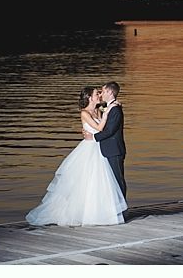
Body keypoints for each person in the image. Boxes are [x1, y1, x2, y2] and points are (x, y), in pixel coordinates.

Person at [26, 86, 127, 226]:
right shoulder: (85, 113)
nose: (99, 95)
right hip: (89, 149)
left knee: (102, 183)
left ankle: (104, 212)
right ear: (90, 98)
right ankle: (82, 213)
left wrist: (113, 106)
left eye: (100, 93)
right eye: (96, 94)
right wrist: (107, 112)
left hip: (99, 148)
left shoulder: (99, 109)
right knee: (86, 182)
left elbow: (111, 112)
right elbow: (99, 128)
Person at [83, 81, 126, 198]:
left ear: (110, 92)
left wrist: (93, 137)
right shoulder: (106, 108)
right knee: (108, 182)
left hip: (114, 150)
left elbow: (110, 131)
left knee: (118, 181)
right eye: (98, 93)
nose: (101, 94)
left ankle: (122, 211)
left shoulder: (115, 109)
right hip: (105, 150)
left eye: (102, 91)